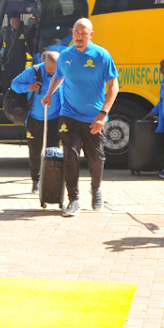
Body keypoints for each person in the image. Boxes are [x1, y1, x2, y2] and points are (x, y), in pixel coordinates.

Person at [43, 18, 119, 217]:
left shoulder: (102, 56)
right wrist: (50, 93)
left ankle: (96, 189)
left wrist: (103, 114)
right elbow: (58, 76)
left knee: (95, 158)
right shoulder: (65, 56)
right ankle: (74, 199)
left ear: (91, 34)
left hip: (94, 117)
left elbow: (114, 87)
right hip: (69, 114)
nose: (79, 36)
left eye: (84, 32)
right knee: (70, 156)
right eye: (76, 32)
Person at [11, 51, 62, 193]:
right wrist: (28, 87)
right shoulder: (32, 72)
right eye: (49, 69)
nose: (52, 73)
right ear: (44, 62)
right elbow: (14, 84)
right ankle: (36, 180)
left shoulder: (63, 72)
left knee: (54, 151)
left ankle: (52, 180)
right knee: (35, 151)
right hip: (35, 118)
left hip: (55, 118)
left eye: (55, 70)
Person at [0, 10, 30, 91]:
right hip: (7, 61)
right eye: (13, 22)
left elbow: (30, 42)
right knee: (5, 83)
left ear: (20, 21)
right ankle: (6, 100)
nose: (15, 24)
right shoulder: (4, 31)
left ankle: (18, 100)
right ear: (10, 21)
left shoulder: (25, 30)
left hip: (20, 61)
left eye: (17, 21)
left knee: (19, 82)